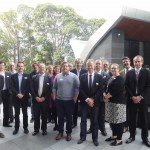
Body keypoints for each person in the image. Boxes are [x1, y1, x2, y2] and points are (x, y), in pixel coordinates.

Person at [125, 55, 150, 148]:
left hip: (143, 100)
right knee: (131, 119)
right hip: (132, 100)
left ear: (142, 62)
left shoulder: (147, 72)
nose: (137, 63)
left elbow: (148, 86)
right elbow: (126, 86)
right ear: (133, 62)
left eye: (139, 61)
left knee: (144, 119)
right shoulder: (129, 73)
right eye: (135, 61)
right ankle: (132, 136)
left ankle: (145, 138)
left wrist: (140, 97)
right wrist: (133, 97)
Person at [77, 59, 103, 146]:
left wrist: (92, 99)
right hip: (85, 102)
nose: (90, 67)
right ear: (86, 66)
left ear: (94, 66)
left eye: (91, 65)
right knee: (83, 120)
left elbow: (100, 90)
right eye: (88, 65)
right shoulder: (82, 76)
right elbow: (80, 89)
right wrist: (87, 99)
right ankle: (82, 137)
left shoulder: (99, 77)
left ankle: (95, 138)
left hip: (95, 103)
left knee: (95, 121)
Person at [53, 61, 79, 141]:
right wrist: (54, 97)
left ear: (69, 67)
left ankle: (68, 133)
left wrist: (75, 98)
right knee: (60, 117)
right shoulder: (57, 76)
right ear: (61, 67)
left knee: (69, 118)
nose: (65, 67)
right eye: (63, 66)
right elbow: (54, 87)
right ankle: (60, 132)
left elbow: (77, 88)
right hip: (59, 101)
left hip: (70, 101)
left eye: (66, 66)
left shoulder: (74, 76)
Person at [104, 63, 126, 146]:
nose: (113, 70)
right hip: (111, 103)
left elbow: (117, 90)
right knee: (112, 121)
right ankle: (114, 136)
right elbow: (107, 88)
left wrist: (106, 97)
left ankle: (119, 139)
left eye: (115, 68)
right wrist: (104, 95)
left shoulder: (120, 78)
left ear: (118, 69)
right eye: (112, 68)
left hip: (118, 103)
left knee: (119, 122)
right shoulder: (111, 78)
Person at [31, 63, 52, 136]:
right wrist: (36, 97)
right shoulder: (34, 77)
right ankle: (36, 129)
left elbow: (50, 89)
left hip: (44, 101)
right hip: (36, 100)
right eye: (40, 67)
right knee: (36, 116)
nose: (42, 68)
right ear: (38, 68)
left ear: (45, 68)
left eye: (43, 67)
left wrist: (44, 97)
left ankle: (44, 129)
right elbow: (31, 88)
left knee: (44, 116)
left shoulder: (48, 77)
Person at [11, 62, 30, 135]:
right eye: (19, 66)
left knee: (25, 113)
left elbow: (28, 86)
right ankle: (16, 128)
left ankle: (25, 128)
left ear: (23, 67)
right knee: (16, 113)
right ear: (17, 67)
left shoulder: (27, 76)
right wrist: (17, 94)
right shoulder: (13, 76)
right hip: (16, 97)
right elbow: (11, 86)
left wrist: (23, 94)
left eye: (22, 66)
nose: (20, 68)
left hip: (24, 97)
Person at [70, 58, 87, 128]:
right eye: (77, 63)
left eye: (80, 63)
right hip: (74, 92)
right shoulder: (72, 71)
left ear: (82, 63)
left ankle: (83, 123)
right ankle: (74, 123)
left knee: (84, 108)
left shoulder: (85, 71)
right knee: (74, 108)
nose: (78, 64)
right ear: (75, 63)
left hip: (83, 92)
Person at [120, 56, 133, 133]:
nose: (125, 63)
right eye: (124, 62)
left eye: (126, 61)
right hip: (124, 96)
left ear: (130, 61)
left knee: (132, 112)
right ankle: (125, 126)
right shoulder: (121, 72)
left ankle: (132, 127)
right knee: (124, 111)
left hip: (133, 96)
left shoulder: (135, 71)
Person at [48, 65, 61, 131]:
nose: (57, 69)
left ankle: (60, 125)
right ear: (54, 70)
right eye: (56, 68)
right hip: (53, 98)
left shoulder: (62, 76)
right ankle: (56, 125)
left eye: (58, 68)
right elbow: (50, 88)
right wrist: (52, 95)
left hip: (61, 98)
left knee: (60, 112)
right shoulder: (51, 78)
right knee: (54, 112)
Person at [0, 61, 12, 127]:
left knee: (7, 108)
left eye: (2, 65)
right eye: (0, 65)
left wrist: (11, 91)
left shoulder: (8, 73)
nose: (1, 66)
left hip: (7, 93)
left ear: (4, 66)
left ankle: (5, 123)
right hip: (0, 93)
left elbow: (11, 83)